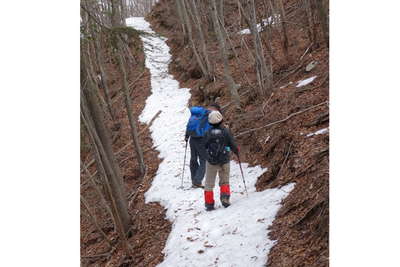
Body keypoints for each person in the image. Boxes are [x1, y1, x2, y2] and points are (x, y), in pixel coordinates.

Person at [203, 110, 239, 211]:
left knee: (209, 184)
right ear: (221, 119)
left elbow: (204, 146)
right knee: (224, 181)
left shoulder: (207, 133)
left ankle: (209, 204)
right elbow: (232, 144)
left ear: (210, 122)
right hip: (224, 160)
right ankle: (225, 199)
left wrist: (207, 156)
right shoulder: (225, 131)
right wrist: (236, 152)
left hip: (211, 161)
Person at [185, 103, 221, 188]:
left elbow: (189, 124)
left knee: (193, 159)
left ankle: (194, 179)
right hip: (201, 139)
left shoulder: (197, 114)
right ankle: (197, 181)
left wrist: (187, 136)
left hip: (192, 138)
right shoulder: (208, 115)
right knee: (204, 160)